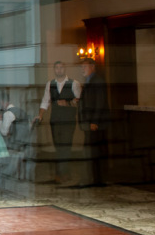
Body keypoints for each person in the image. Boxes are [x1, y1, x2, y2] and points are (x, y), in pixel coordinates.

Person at [35, 61, 82, 183]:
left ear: (65, 69)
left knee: (65, 146)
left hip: (68, 120)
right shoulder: (50, 84)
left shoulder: (74, 83)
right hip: (55, 120)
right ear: (54, 70)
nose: (59, 70)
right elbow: (45, 101)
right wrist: (40, 115)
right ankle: (63, 173)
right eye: (57, 68)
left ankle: (61, 175)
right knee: (58, 146)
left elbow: (80, 100)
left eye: (61, 67)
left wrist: (68, 103)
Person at [77, 57, 109, 186]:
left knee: (95, 151)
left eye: (85, 67)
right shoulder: (88, 81)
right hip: (88, 123)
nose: (82, 69)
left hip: (95, 124)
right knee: (90, 151)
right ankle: (93, 178)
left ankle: (97, 179)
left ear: (92, 67)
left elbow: (99, 102)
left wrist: (94, 121)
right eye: (82, 67)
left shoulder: (97, 81)